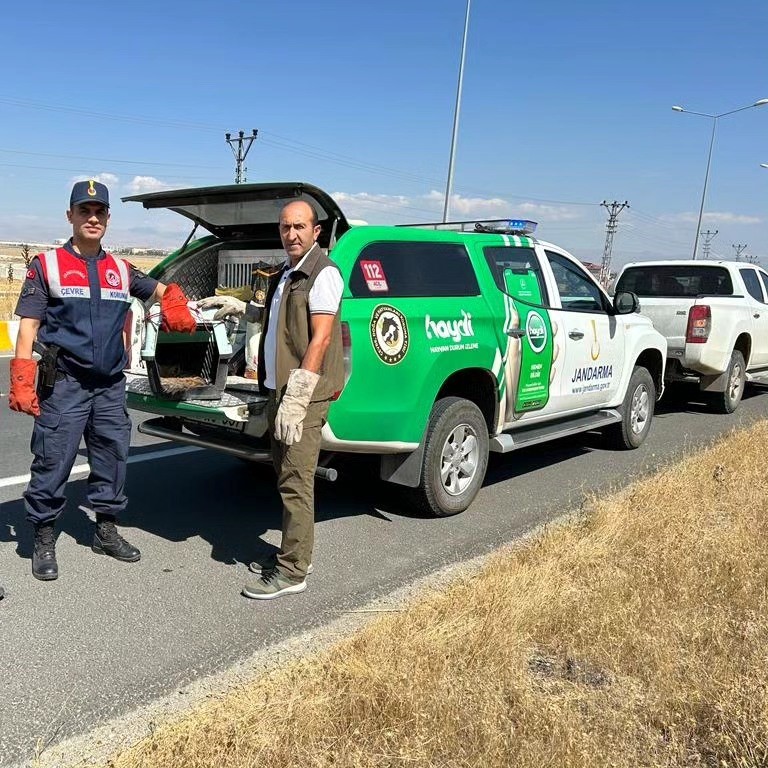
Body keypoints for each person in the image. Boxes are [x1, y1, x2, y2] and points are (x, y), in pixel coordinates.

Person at [9, 179, 197, 581]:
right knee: (53, 460)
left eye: (99, 212)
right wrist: (23, 377)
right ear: (70, 216)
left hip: (110, 385)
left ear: (108, 219)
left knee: (112, 458)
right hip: (65, 384)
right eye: (84, 211)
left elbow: (162, 289)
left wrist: (175, 299)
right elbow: (28, 327)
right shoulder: (47, 266)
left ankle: (105, 530)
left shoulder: (121, 269)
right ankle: (43, 536)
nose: (92, 218)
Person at [199, 200, 343, 600]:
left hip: (302, 395)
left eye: (299, 227)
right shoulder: (285, 273)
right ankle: (301, 553)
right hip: (278, 391)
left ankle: (293, 571)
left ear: (316, 232)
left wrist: (298, 396)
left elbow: (322, 336)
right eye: (285, 227)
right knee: (285, 475)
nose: (291, 234)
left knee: (296, 481)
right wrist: (236, 307)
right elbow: (269, 316)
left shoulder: (323, 274)